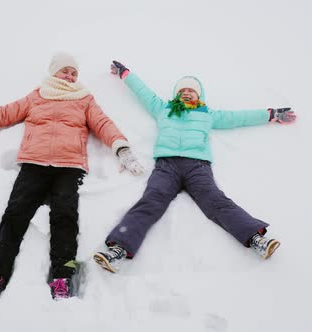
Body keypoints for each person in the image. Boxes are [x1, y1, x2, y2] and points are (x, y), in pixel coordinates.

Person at [0, 53, 144, 306]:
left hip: (69, 168)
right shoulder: (37, 96)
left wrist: (123, 150)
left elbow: (103, 124)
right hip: (34, 165)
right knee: (14, 216)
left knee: (65, 219)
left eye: (74, 73)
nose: (70, 76)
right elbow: (3, 114)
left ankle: (62, 278)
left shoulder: (84, 99)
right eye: (65, 71)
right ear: (54, 72)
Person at [93, 60, 296, 273]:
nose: (187, 93)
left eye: (191, 91)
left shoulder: (207, 115)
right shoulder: (163, 109)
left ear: (199, 96)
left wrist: (271, 114)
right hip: (166, 166)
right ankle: (118, 249)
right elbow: (143, 92)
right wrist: (125, 73)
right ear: (176, 94)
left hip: (197, 168)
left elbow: (240, 117)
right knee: (150, 201)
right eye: (182, 90)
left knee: (215, 201)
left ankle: (255, 238)